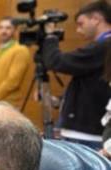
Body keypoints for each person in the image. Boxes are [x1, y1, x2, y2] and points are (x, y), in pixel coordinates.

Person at [42, 1, 111, 148]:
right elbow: (94, 85)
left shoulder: (105, 45)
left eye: (81, 23)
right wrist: (60, 100)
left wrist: (50, 37)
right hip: (88, 130)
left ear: (96, 19)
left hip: (86, 133)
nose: (79, 30)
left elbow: (56, 62)